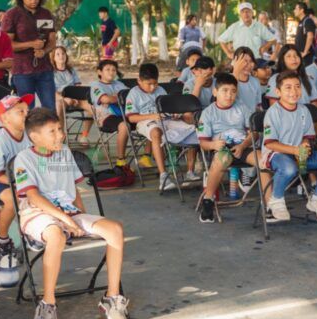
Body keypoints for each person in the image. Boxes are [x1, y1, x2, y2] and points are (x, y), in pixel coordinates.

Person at [15, 108, 129, 319]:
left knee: (115, 229)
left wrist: (81, 218)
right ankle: (48, 304)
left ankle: (111, 297)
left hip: (69, 212)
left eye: (60, 129)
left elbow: (74, 189)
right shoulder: (24, 158)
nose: (60, 135)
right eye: (52, 132)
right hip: (37, 214)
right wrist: (67, 220)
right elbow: (34, 197)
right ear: (35, 137)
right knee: (56, 235)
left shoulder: (64, 152)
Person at [262, 71, 317, 223]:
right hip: (277, 155)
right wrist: (295, 150)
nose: (293, 91)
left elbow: (308, 137)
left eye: (297, 87)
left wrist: (304, 146)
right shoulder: (273, 112)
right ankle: (276, 201)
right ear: (278, 92)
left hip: (299, 154)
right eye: (288, 87)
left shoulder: (304, 110)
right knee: (289, 168)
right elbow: (270, 143)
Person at [0, 95, 33, 288]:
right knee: (12, 199)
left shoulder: (29, 135)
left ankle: (32, 232)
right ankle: (2, 237)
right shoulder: (1, 140)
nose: (26, 115)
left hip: (22, 181)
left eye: (27, 111)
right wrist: (18, 184)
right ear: (5, 118)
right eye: (20, 112)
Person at [125, 63, 197, 191]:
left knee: (192, 128)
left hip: (165, 119)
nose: (153, 87)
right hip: (145, 122)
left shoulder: (160, 90)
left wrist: (175, 114)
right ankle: (163, 175)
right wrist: (153, 116)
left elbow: (168, 108)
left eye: (155, 83)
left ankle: (190, 171)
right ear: (139, 81)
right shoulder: (134, 93)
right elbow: (131, 118)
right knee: (156, 132)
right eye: (149, 84)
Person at [196, 73, 256, 223]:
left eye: (233, 91)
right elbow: (203, 143)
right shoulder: (208, 113)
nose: (229, 95)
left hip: (242, 146)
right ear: (215, 92)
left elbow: (254, 134)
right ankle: (208, 200)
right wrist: (213, 145)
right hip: (221, 147)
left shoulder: (242, 108)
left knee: (264, 160)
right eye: (225, 90)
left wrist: (243, 145)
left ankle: (270, 204)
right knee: (222, 159)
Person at [4, 0, 57, 109]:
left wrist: (44, 51)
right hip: (22, 71)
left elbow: (52, 40)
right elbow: (7, 45)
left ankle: (50, 129)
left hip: (45, 69)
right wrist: (31, 44)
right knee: (27, 110)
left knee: (50, 108)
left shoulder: (45, 14)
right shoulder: (12, 14)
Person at [266, 44, 317, 117]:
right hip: (285, 116)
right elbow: (273, 106)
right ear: (282, 60)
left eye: (296, 55)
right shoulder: (275, 79)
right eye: (289, 56)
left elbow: (314, 103)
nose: (294, 59)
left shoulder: (307, 78)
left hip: (306, 115)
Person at [89, 60, 130, 167]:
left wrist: (114, 98)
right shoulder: (96, 86)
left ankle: (147, 155)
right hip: (107, 117)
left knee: (150, 120)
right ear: (99, 72)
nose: (111, 72)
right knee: (124, 126)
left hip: (124, 114)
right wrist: (119, 97)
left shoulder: (119, 84)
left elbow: (131, 97)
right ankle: (121, 160)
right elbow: (105, 99)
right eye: (107, 70)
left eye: (113, 70)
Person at [51, 46, 92, 136]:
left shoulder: (71, 70)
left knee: (92, 106)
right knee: (58, 105)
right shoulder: (50, 72)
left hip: (75, 97)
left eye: (63, 53)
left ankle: (84, 135)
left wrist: (76, 97)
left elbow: (78, 85)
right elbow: (51, 91)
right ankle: (61, 136)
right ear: (53, 58)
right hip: (60, 98)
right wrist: (65, 99)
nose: (61, 56)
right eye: (57, 54)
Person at [230, 47, 263, 113]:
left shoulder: (255, 82)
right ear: (235, 62)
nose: (248, 65)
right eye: (244, 61)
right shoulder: (226, 79)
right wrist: (236, 71)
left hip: (250, 120)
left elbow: (258, 106)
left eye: (251, 61)